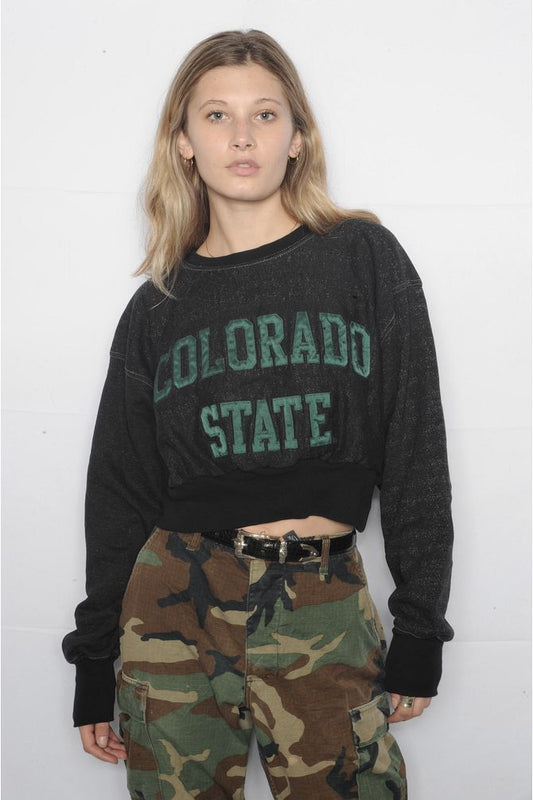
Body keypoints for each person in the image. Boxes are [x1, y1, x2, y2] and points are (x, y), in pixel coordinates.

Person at [62, 28, 454, 800]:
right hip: (173, 606)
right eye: (216, 115)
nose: (241, 136)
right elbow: (119, 491)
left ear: (297, 138)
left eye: (265, 115)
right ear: (183, 142)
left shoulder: (363, 259)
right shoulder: (156, 308)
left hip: (322, 598)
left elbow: (414, 445)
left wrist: (420, 627)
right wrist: (93, 661)